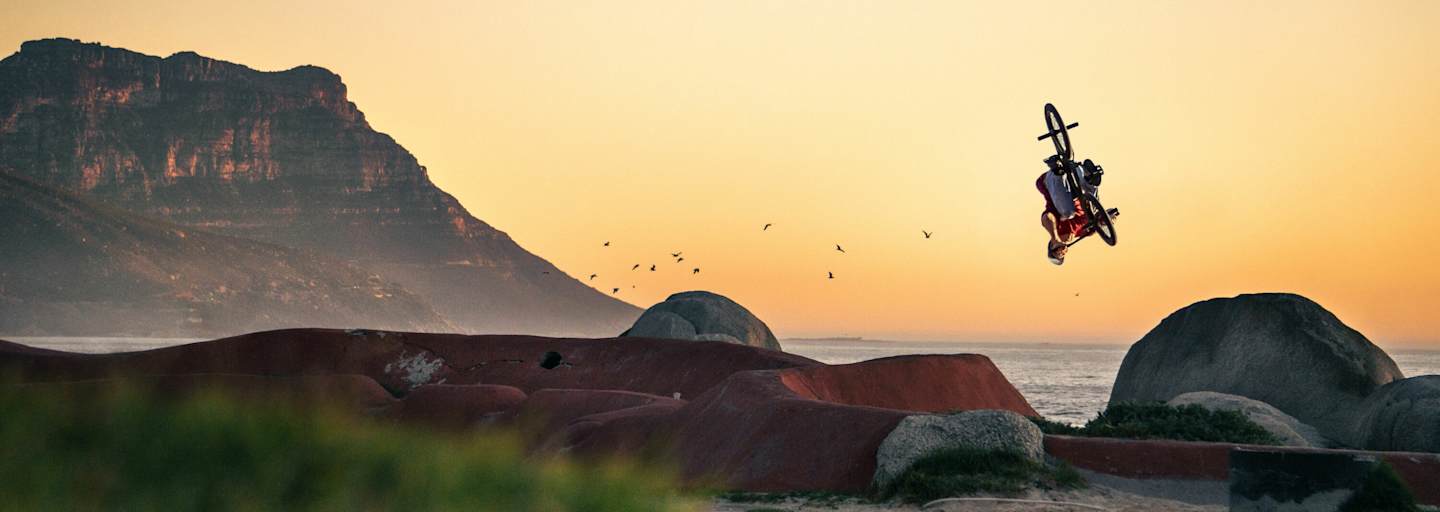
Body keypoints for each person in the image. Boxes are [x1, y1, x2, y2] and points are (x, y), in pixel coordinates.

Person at [1038, 157, 1104, 265]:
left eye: (1057, 251)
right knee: (1093, 211)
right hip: (1079, 185)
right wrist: (1108, 220)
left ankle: (1057, 170)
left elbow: (1047, 217)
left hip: (1050, 184)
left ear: (1052, 246)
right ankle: (1090, 177)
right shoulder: (1082, 232)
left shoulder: (1055, 227)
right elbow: (1100, 226)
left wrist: (1055, 238)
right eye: (1063, 254)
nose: (1062, 251)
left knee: (1068, 213)